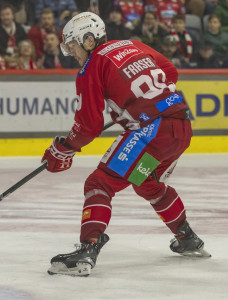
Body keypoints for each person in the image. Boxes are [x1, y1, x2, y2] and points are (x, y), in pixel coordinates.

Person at [41, 12, 210, 277]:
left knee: (99, 183)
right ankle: (186, 237)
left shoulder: (92, 65)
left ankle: (88, 248)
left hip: (151, 130)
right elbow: (170, 71)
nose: (71, 53)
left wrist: (63, 148)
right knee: (147, 182)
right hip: (181, 125)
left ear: (88, 40)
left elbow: (88, 125)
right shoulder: (133, 45)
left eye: (73, 46)